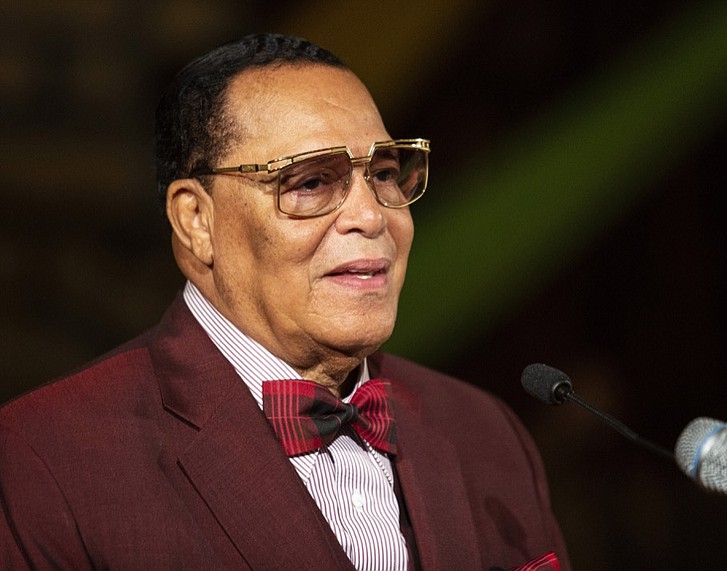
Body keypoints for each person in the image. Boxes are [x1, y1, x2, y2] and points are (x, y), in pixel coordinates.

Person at [0, 33, 569, 570]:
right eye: (311, 183)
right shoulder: (47, 457)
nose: (373, 217)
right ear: (196, 221)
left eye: (386, 173)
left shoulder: (485, 431)